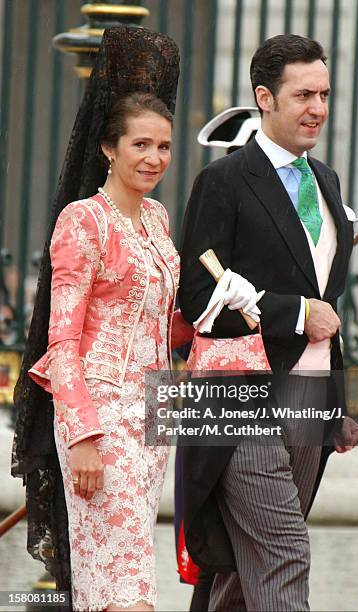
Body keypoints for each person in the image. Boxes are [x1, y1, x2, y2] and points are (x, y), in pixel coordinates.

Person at [179, 34, 358, 611]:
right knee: (284, 552)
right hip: (237, 397)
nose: (318, 108)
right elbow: (197, 295)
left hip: (310, 397)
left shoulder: (327, 181)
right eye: (303, 94)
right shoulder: (223, 181)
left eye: (325, 94)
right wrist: (297, 313)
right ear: (265, 97)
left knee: (244, 567)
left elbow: (325, 291)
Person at [11, 27, 193, 612]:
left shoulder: (159, 219)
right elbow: (61, 340)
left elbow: (162, 323)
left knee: (120, 575)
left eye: (163, 147)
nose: (154, 159)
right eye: (141, 145)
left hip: (155, 412)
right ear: (108, 148)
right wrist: (84, 435)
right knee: (126, 585)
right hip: (101, 413)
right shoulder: (82, 222)